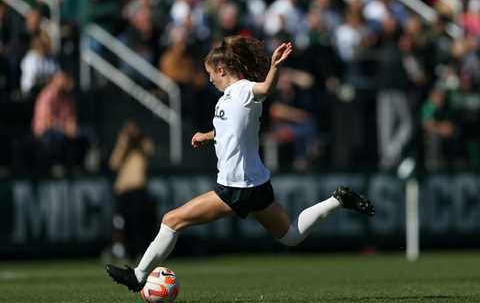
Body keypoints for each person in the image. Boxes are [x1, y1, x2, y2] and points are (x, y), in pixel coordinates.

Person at [106, 36, 375, 292]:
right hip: (256, 184)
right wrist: (207, 135)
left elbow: (266, 88)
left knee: (172, 220)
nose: (209, 79)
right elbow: (232, 130)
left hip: (236, 187)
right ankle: (338, 200)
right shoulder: (227, 99)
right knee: (291, 236)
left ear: (221, 69)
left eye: (210, 73)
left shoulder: (245, 89)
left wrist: (275, 67)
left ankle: (138, 277)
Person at [108, 120, 156, 260]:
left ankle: (140, 250)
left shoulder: (142, 146)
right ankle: (123, 250)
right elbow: (114, 164)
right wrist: (124, 141)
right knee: (121, 223)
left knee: (138, 223)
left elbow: (149, 151)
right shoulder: (124, 147)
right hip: (123, 190)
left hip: (137, 189)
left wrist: (138, 138)